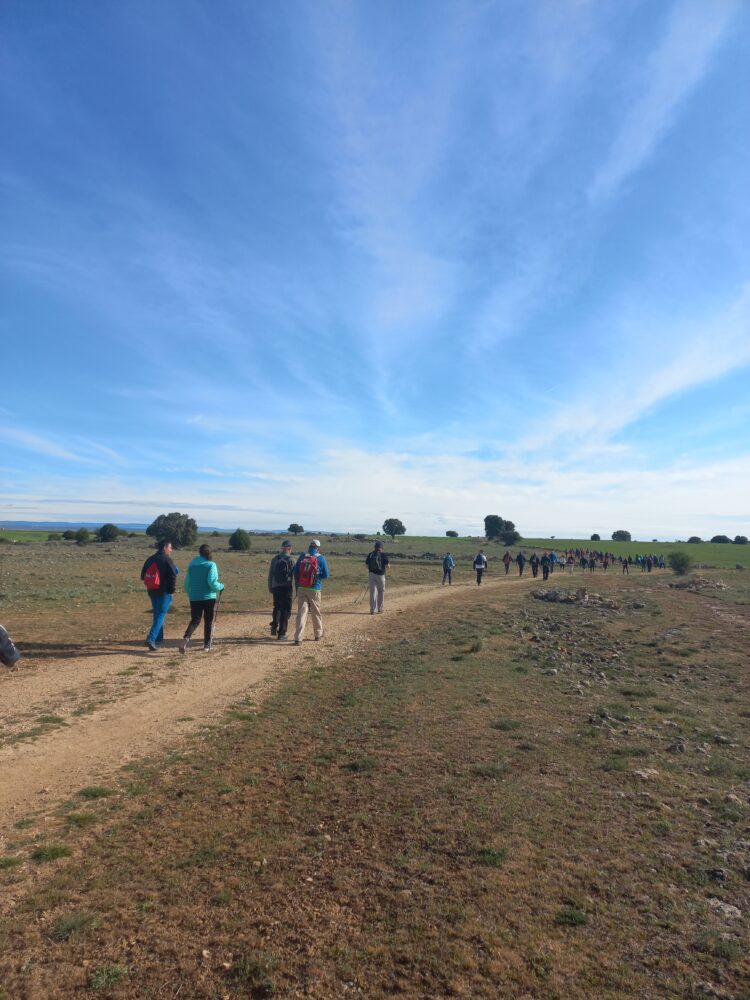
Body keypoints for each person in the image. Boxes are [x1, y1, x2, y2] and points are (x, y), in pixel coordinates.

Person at [180, 544, 225, 653]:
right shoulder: (211, 565)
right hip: (208, 597)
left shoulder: (192, 565)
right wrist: (221, 586)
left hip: (194, 596)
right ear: (209, 553)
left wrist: (189, 592)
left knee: (195, 620)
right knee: (208, 620)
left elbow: (187, 582)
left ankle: (186, 638)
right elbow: (211, 582)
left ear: (200, 552)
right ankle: (206, 645)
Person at [140, 540, 179, 652]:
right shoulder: (167, 559)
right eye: (170, 547)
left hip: (152, 590)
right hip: (164, 592)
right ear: (165, 547)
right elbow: (173, 575)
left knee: (157, 614)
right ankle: (151, 638)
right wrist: (171, 591)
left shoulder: (150, 559)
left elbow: (143, 576)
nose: (171, 550)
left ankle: (158, 638)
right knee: (161, 614)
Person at [293, 539, 330, 645]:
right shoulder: (321, 558)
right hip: (315, 588)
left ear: (309, 547)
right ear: (318, 548)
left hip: (302, 588)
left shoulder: (302, 556)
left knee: (301, 612)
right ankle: (318, 634)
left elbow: (295, 571)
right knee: (315, 612)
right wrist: (317, 578)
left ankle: (298, 638)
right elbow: (326, 575)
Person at [267, 540, 295, 640]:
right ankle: (282, 633)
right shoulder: (291, 560)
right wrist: (297, 588)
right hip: (286, 587)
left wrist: (270, 587)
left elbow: (270, 575)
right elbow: (295, 576)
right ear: (290, 548)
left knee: (277, 606)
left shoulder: (275, 559)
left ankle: (274, 625)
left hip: (275, 587)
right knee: (285, 609)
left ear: (282, 548)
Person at [365, 540, 390, 614]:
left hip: (371, 574)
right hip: (381, 575)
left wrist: (371, 570)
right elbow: (388, 566)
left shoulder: (370, 554)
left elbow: (366, 565)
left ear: (375, 547)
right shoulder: (383, 555)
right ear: (381, 548)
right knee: (381, 591)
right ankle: (380, 609)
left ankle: (372, 609)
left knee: (373, 592)